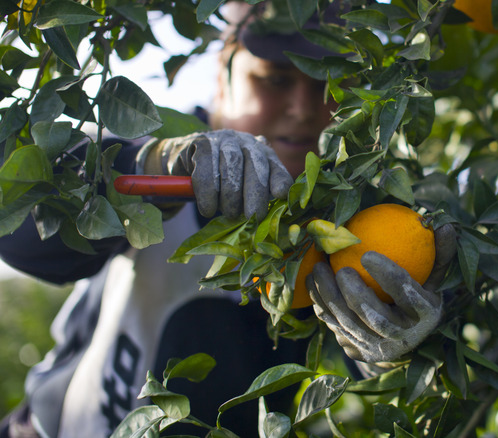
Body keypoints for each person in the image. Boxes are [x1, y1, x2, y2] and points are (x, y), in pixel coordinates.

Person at [0, 1, 454, 437]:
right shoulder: (155, 149)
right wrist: (155, 166)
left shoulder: (348, 216)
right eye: (274, 80)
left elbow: (386, 376)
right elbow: (25, 230)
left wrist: (391, 354)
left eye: (327, 87)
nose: (302, 111)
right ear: (223, 77)